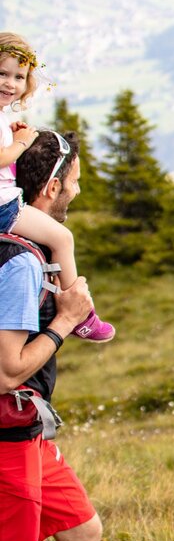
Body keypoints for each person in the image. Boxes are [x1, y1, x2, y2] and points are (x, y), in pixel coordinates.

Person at [0, 128, 103, 541]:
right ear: (52, 188)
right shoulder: (19, 262)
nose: (77, 194)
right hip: (5, 434)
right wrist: (66, 320)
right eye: (75, 183)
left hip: (28, 429)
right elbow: (6, 372)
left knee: (82, 532)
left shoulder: (29, 252)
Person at [0, 32, 114, 341]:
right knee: (62, 239)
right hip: (4, 208)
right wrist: (21, 144)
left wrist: (12, 137)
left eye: (18, 77)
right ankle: (81, 314)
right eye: (2, 73)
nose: (10, 83)